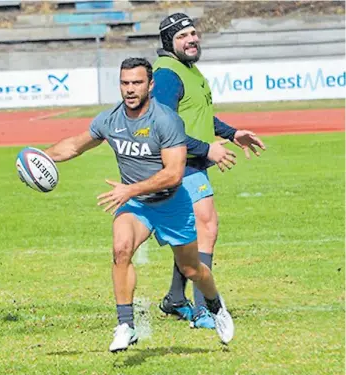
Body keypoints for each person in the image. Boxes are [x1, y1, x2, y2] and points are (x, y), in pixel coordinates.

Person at [42, 57, 234, 352]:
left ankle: (215, 305)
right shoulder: (110, 120)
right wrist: (38, 156)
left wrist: (129, 189)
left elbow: (173, 174)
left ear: (150, 85)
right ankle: (125, 325)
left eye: (137, 83)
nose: (130, 89)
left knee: (193, 268)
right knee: (121, 250)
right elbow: (73, 145)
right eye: (125, 83)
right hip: (136, 206)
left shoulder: (166, 120)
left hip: (172, 204)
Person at [152, 13, 266, 329]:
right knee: (206, 226)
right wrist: (207, 149)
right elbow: (162, 127)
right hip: (177, 163)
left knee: (190, 232)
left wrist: (231, 134)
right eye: (183, 36)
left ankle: (176, 298)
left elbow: (200, 115)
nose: (192, 39)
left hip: (189, 161)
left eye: (193, 33)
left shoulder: (189, 70)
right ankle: (204, 308)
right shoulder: (166, 75)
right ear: (168, 43)